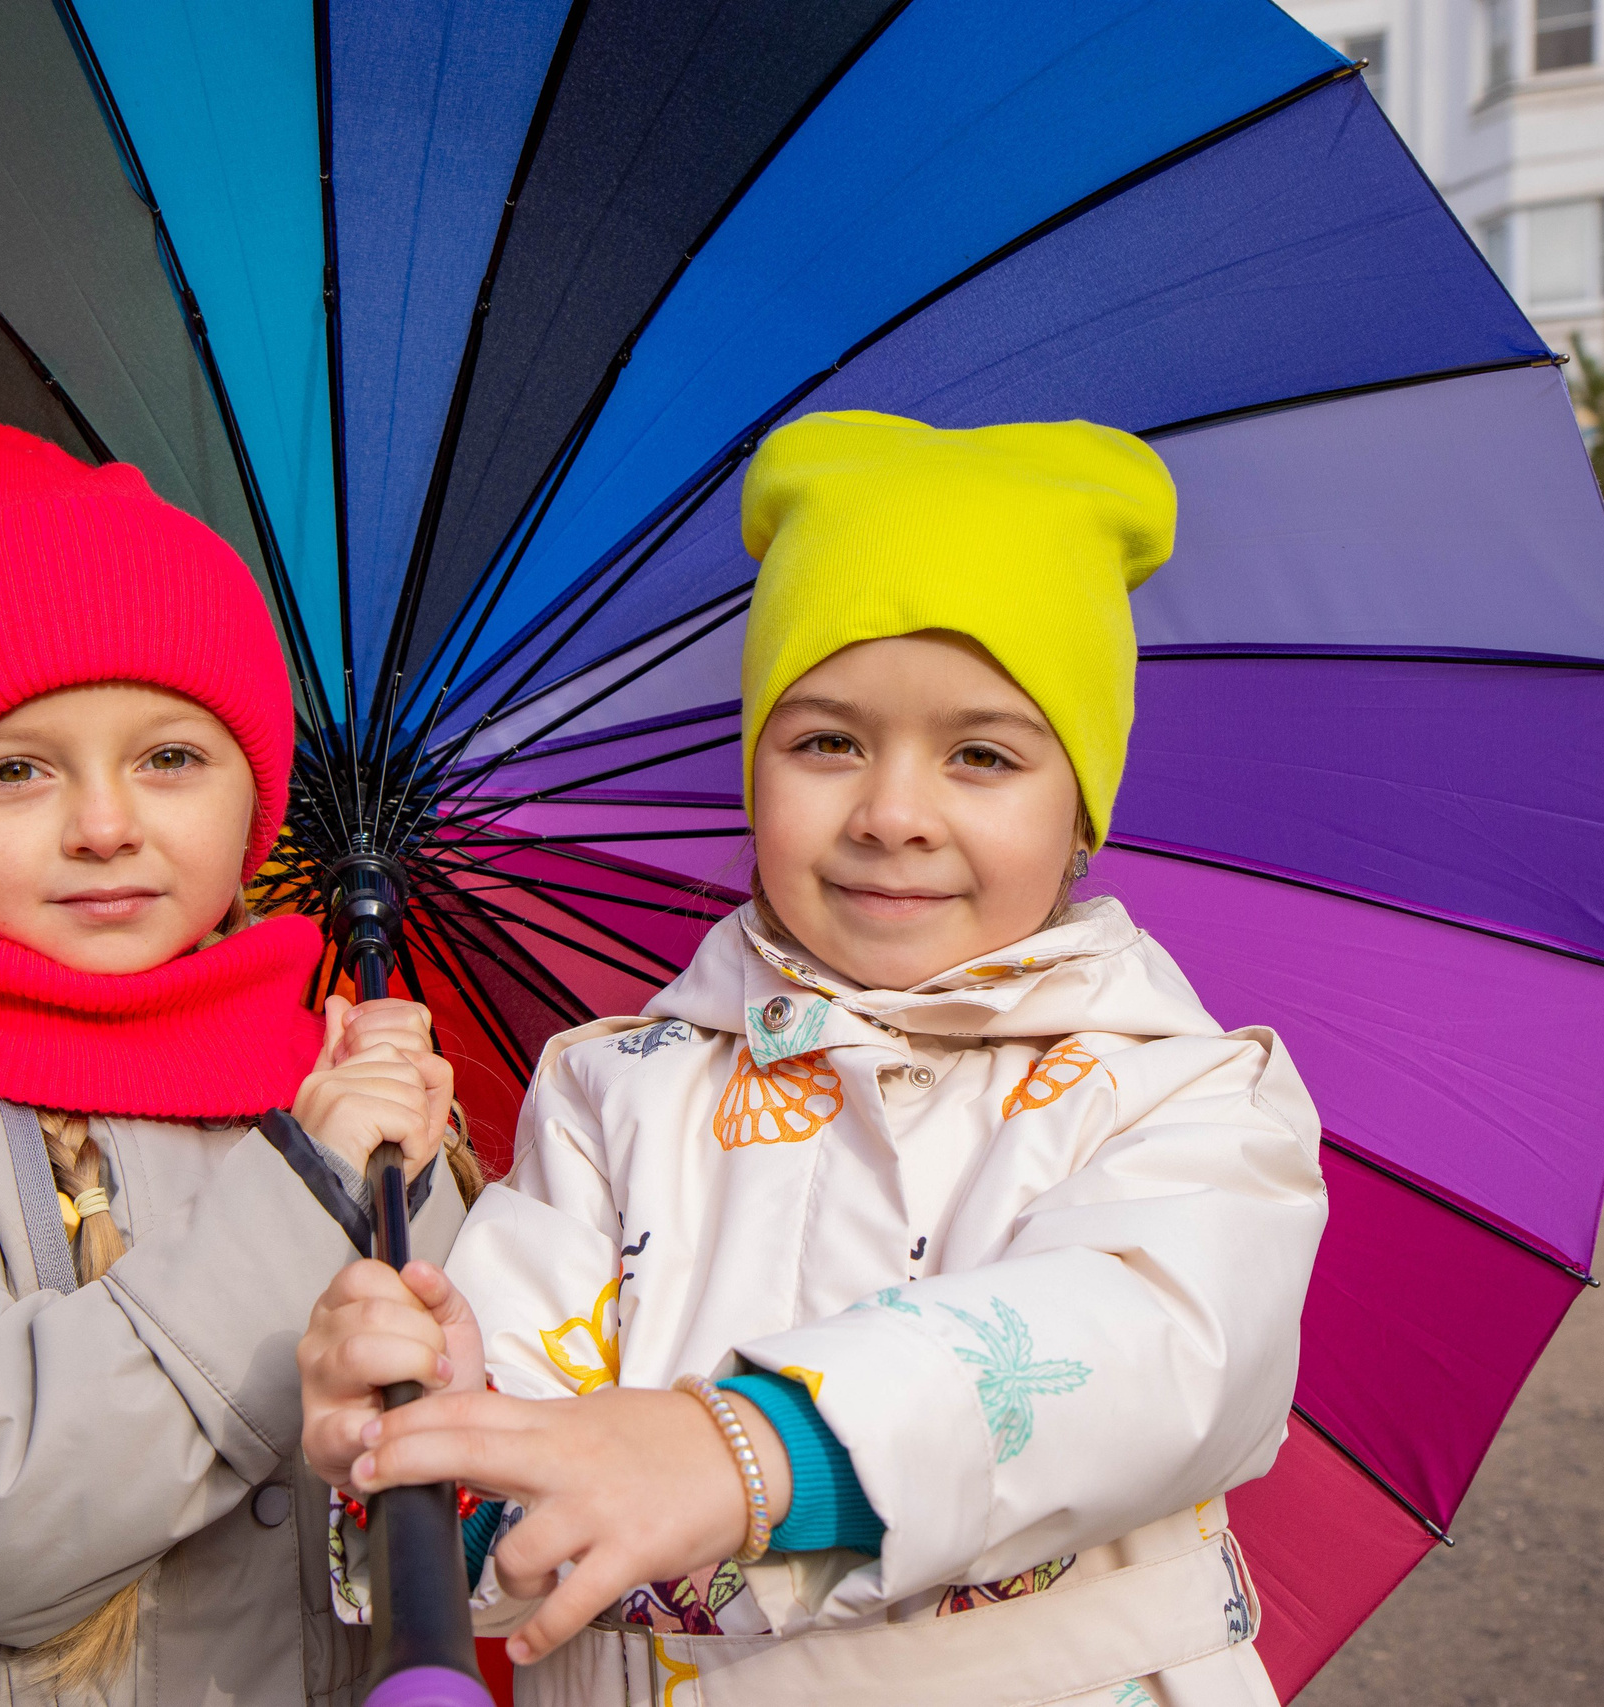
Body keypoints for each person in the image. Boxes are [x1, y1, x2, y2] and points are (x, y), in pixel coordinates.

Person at [299, 412, 1326, 1705]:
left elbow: (1153, 1344)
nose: (893, 812)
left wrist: (746, 1447)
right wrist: (448, 1424)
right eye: (827, 739)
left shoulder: (1180, 1089)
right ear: (754, 768)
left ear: (1081, 811)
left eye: (982, 754)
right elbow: (531, 1489)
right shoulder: (615, 1087)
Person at [0, 425, 475, 1707]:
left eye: (169, 757)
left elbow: (456, 1486)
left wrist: (421, 1185)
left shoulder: (328, 1068)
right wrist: (311, 1198)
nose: (106, 825)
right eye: (16, 771)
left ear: (254, 796)